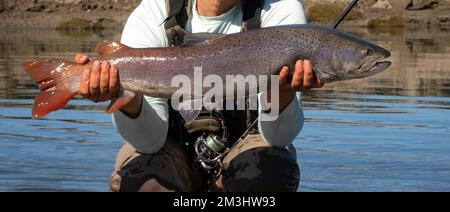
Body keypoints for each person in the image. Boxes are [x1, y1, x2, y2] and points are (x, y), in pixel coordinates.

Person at [74, 0, 324, 192]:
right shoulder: (154, 12)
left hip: (250, 150)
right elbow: (149, 143)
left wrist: (282, 92)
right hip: (168, 148)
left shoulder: (280, 10)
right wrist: (127, 100)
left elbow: (278, 138)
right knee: (145, 180)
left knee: (271, 172)